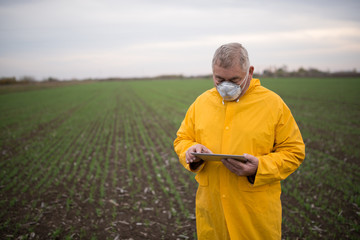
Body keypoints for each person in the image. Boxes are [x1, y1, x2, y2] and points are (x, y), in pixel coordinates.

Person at [173, 43, 305, 239]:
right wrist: (191, 151)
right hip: (212, 219)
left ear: (250, 72)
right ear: (213, 74)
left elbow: (294, 152)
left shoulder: (273, 104)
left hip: (254, 220)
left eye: (234, 79)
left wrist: (259, 167)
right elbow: (182, 139)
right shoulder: (201, 103)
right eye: (219, 79)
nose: (226, 85)